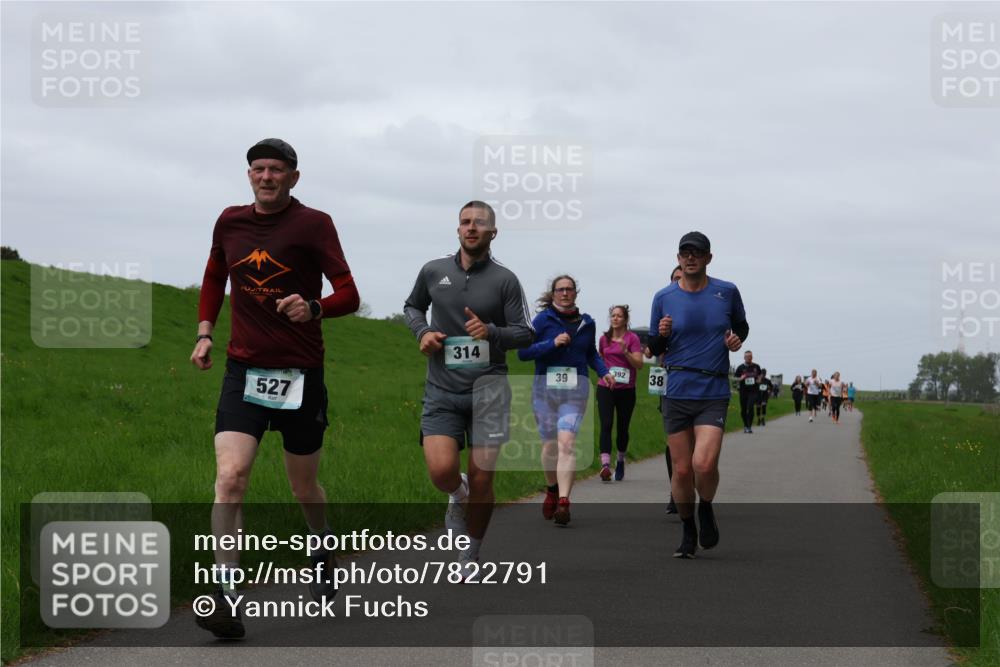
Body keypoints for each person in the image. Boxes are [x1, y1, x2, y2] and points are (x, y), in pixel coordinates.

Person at [191, 138, 361, 638]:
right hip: (242, 369)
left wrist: (313, 307)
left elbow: (350, 294)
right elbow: (213, 276)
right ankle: (225, 593)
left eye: (276, 170)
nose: (266, 177)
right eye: (258, 169)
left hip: (300, 373)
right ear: (249, 175)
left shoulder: (314, 224)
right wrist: (204, 334)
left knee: (302, 485)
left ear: (293, 177)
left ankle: (322, 544)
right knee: (231, 475)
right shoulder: (230, 221)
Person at [403, 200, 533, 576]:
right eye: (464, 222)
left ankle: (470, 555)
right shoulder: (433, 270)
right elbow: (413, 307)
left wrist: (490, 331)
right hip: (442, 389)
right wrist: (423, 332)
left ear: (493, 232)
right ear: (457, 229)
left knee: (483, 479)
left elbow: (525, 334)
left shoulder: (505, 280)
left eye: (479, 223)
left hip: (489, 391)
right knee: (442, 472)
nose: (471, 228)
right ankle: (456, 494)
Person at [648, 232, 749, 559]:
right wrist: (662, 336)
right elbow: (654, 347)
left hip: (712, 389)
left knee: (703, 464)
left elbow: (741, 328)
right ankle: (688, 528)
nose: (690, 258)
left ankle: (705, 506)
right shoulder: (663, 297)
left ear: (708, 258)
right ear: (678, 258)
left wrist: (735, 341)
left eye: (697, 253)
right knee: (681, 471)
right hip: (677, 389)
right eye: (684, 253)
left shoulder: (726, 291)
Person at [519, 276, 614, 525]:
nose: (564, 293)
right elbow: (523, 353)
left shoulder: (587, 323)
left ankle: (564, 501)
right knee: (550, 447)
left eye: (569, 289)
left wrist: (604, 372)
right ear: (552, 294)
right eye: (560, 290)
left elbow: (591, 353)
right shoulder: (541, 321)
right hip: (544, 393)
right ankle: (551, 488)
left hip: (575, 391)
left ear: (575, 293)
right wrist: (552, 343)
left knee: (567, 443)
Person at [595, 305, 643, 482]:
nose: (615, 318)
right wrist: (603, 373)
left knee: (623, 428)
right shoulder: (603, 339)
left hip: (627, 390)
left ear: (625, 320)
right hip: (606, 388)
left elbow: (639, 364)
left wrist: (625, 352)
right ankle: (605, 466)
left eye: (619, 316)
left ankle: (620, 460)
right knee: (606, 424)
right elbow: (599, 360)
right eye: (613, 315)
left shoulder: (632, 339)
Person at [659, 266, 683, 514]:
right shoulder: (663, 305)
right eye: (675, 279)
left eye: (681, 278)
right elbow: (655, 345)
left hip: (698, 384)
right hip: (669, 381)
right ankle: (676, 490)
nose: (679, 282)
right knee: (672, 440)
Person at [733, 350, 761, 434]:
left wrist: (759, 380)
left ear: (752, 357)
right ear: (744, 357)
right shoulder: (740, 367)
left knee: (750, 407)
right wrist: (740, 379)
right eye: (747, 356)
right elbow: (734, 379)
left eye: (750, 356)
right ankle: (745, 425)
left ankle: (749, 426)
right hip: (743, 391)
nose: (748, 358)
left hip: (753, 391)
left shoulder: (756, 366)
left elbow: (759, 375)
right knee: (743, 409)